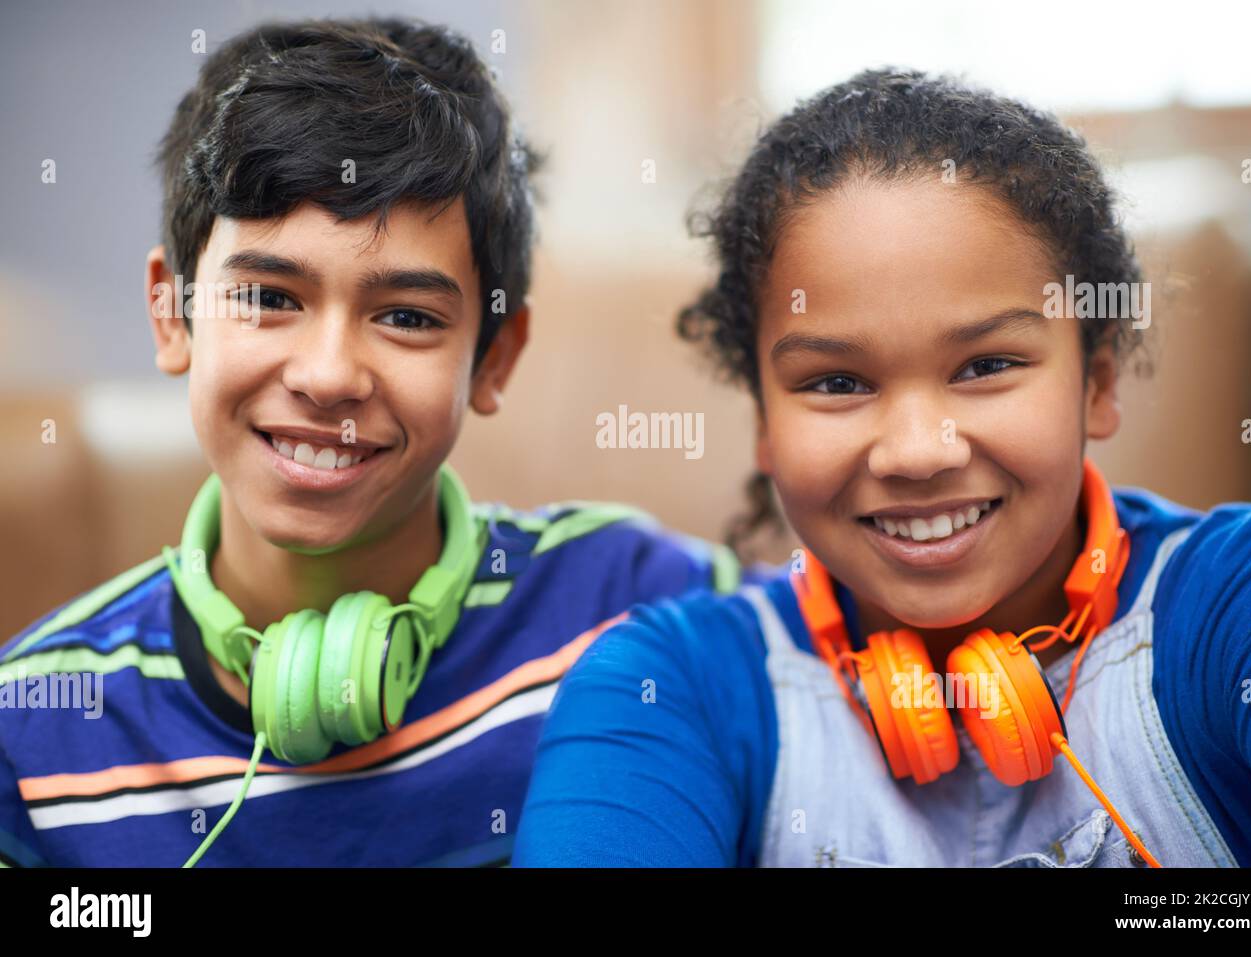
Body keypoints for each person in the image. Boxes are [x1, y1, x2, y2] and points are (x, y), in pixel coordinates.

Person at [0, 16, 742, 868]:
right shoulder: (31, 729)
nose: (328, 375)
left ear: (494, 358)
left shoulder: (634, 600)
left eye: (405, 317)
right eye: (270, 297)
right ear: (174, 315)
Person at [513, 68, 1251, 867]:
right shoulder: (662, 688)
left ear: (1096, 382)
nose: (919, 451)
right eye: (837, 383)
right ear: (762, 422)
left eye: (986, 364)